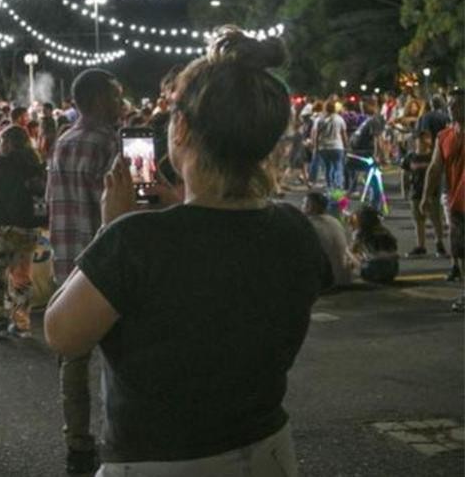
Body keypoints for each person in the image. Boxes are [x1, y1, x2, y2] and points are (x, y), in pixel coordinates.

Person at [45, 27, 331, 476]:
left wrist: (111, 226)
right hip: (267, 451)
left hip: (158, 462)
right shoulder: (296, 229)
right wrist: (181, 205)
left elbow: (62, 333)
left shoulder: (133, 240)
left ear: (180, 129)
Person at [45, 68, 123, 474]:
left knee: (73, 359)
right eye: (115, 96)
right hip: (109, 262)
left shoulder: (63, 141)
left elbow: (51, 202)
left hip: (69, 263)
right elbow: (126, 209)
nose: (121, 103)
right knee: (121, 354)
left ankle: (77, 441)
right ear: (97, 100)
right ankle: (120, 436)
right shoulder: (109, 143)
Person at [0, 125, 44, 339]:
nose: (0, 144)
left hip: (0, 225)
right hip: (28, 227)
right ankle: (21, 323)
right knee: (22, 277)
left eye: (2, 141)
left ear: (9, 143)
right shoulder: (36, 164)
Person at [422, 88, 465, 293]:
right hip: (456, 201)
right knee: (460, 248)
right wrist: (426, 196)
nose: (452, 108)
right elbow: (434, 168)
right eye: (450, 105)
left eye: (457, 104)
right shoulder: (444, 136)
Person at [401, 131, 444, 257]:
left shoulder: (433, 156)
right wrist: (404, 190)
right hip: (416, 192)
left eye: (426, 139)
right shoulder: (410, 157)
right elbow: (404, 174)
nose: (424, 142)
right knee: (418, 220)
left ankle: (439, 244)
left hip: (432, 193)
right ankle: (421, 245)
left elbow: (438, 173)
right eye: (421, 139)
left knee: (436, 219)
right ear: (416, 141)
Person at [303, 192, 354, 288]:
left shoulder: (309, 226)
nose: (301, 207)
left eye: (304, 204)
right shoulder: (335, 221)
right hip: (345, 278)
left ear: (310, 207)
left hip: (327, 283)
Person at [349, 206, 399, 284]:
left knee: (349, 252)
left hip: (372, 272)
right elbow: (395, 247)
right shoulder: (385, 231)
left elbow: (353, 249)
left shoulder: (360, 233)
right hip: (392, 270)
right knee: (366, 253)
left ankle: (348, 273)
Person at [315, 101, 348, 190]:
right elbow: (343, 134)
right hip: (337, 146)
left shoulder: (321, 120)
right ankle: (338, 186)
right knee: (338, 167)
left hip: (324, 147)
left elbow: (317, 135)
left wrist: (316, 147)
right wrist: (346, 146)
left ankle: (329, 186)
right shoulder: (340, 119)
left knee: (327, 168)